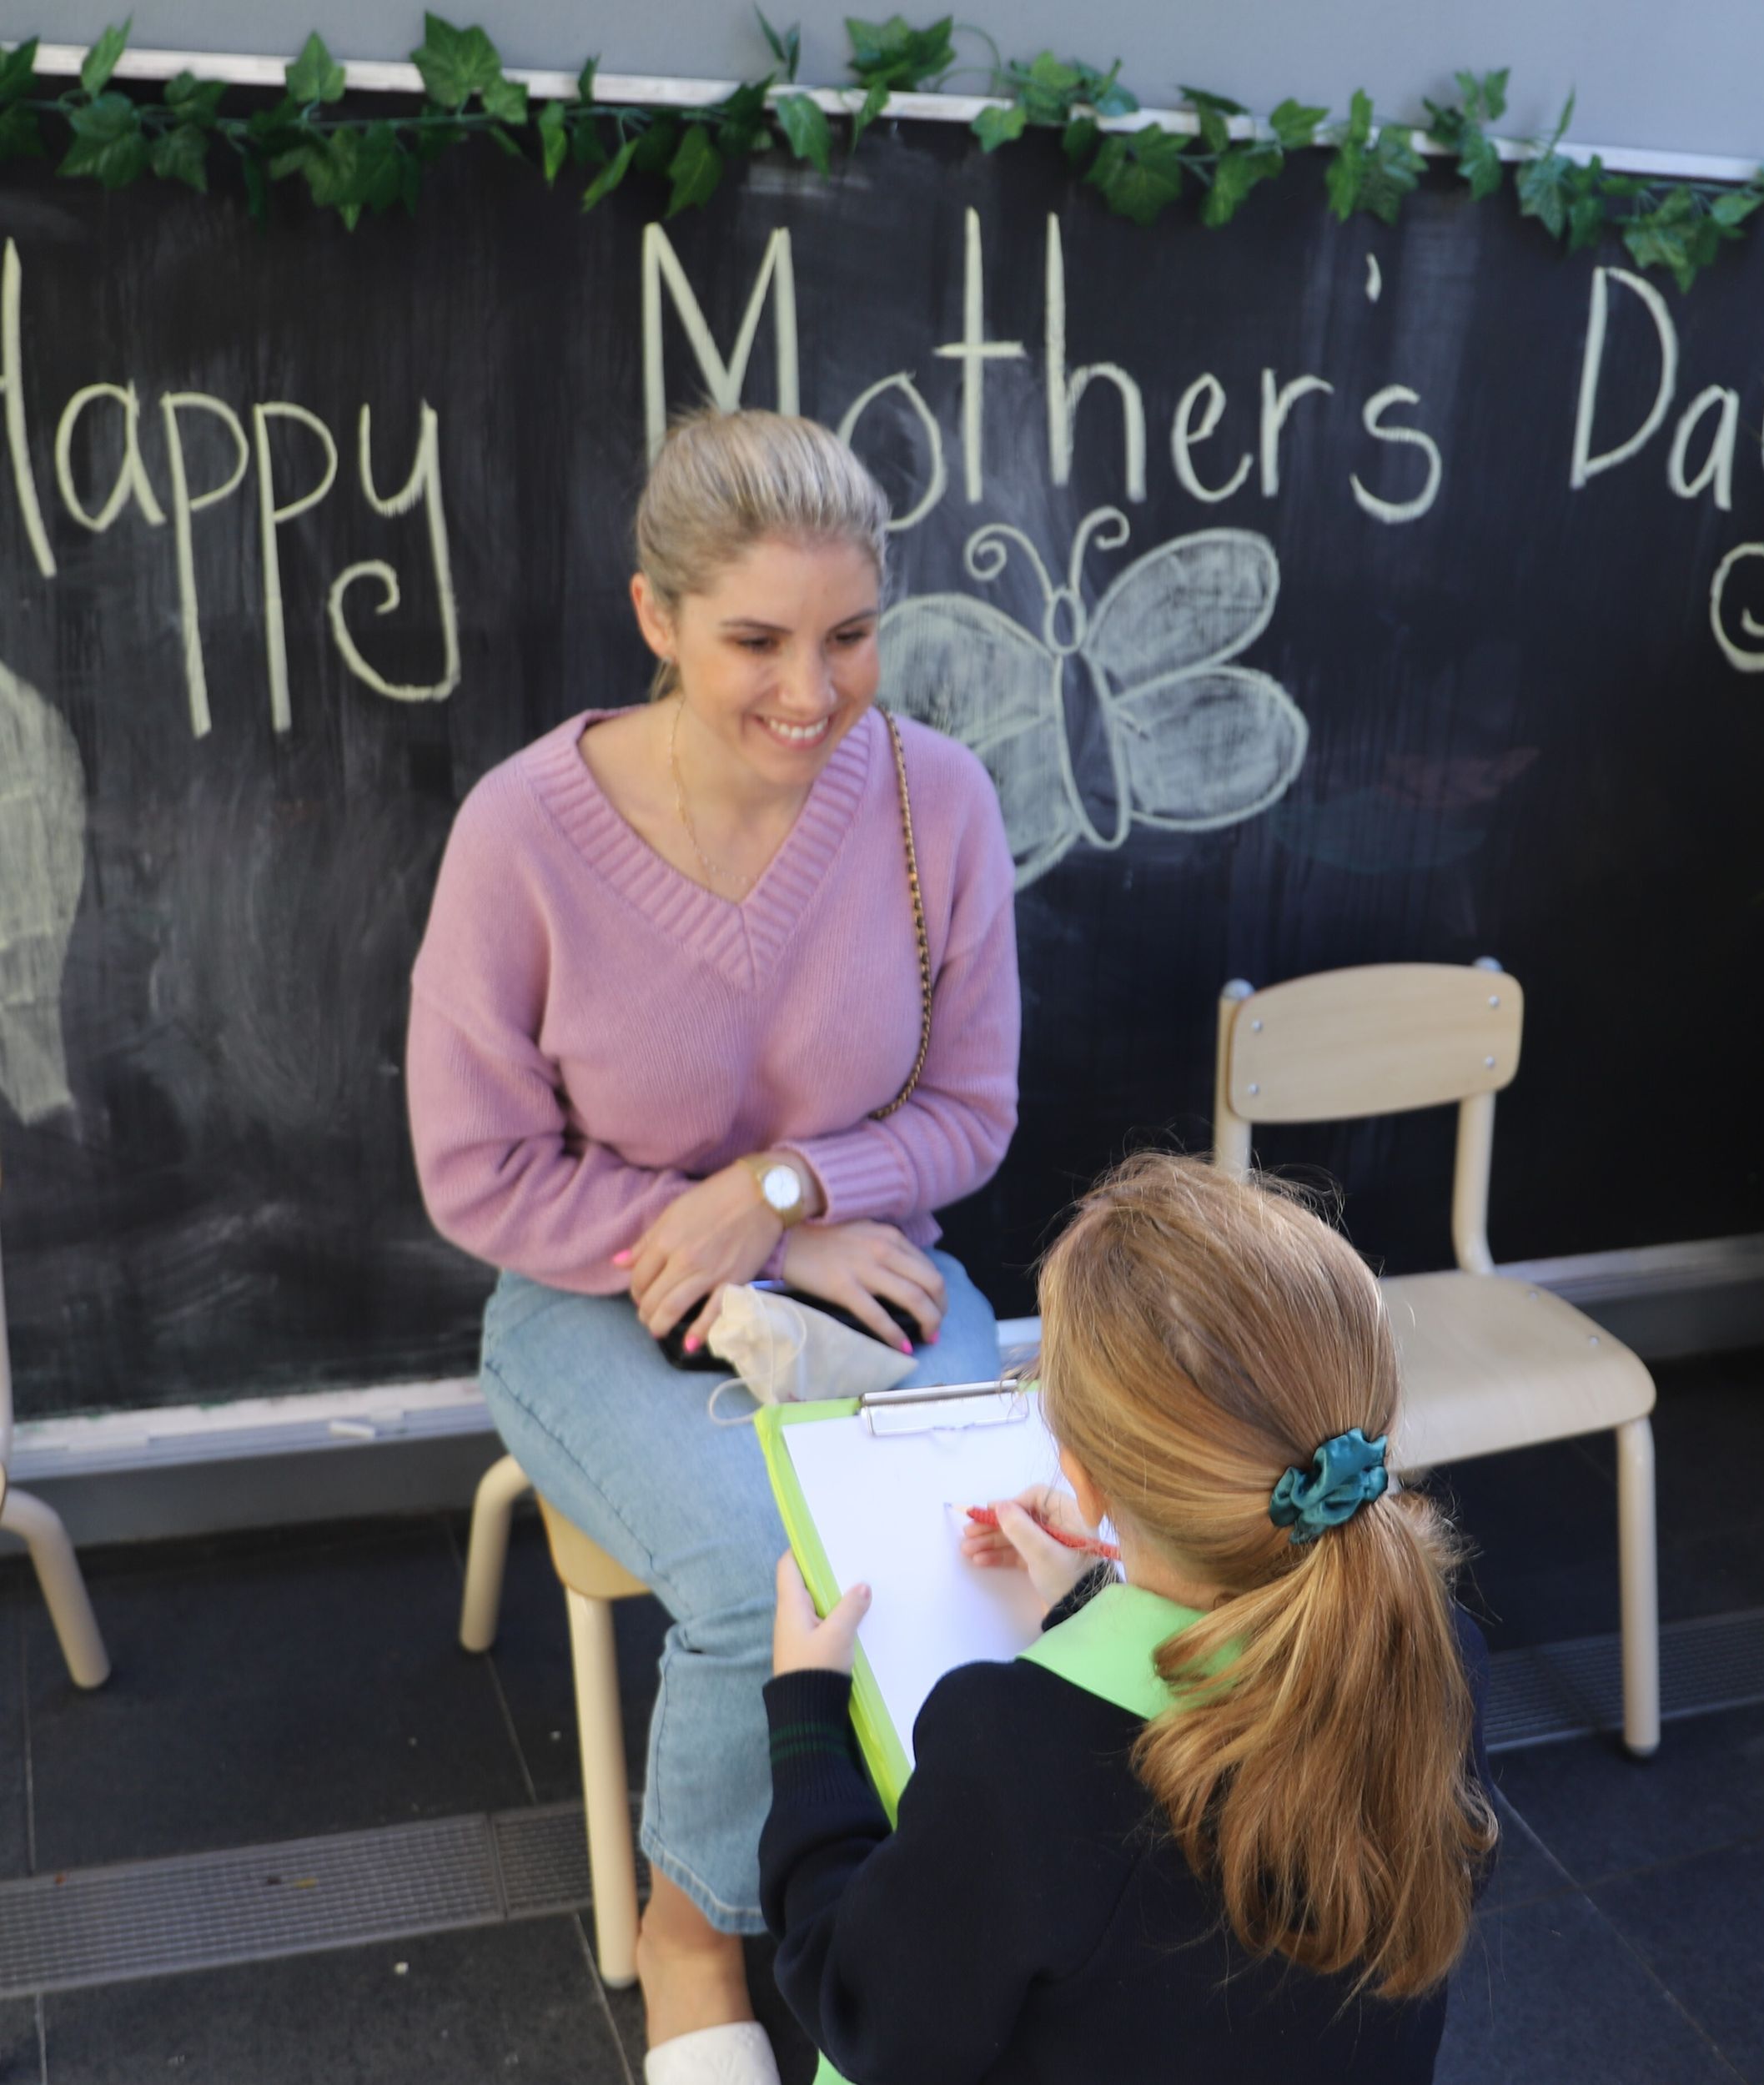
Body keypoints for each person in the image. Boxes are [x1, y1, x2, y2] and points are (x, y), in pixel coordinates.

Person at [405, 409, 1020, 2085]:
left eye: (850, 635)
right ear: (656, 617)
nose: (811, 690)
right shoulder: (524, 832)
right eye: (756, 640)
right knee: (774, 1572)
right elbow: (476, 1171)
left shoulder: (937, 802)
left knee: (966, 1546)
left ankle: (922, 1886)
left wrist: (788, 1193)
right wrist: (723, 1232)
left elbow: (971, 1112)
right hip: (590, 1297)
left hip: (863, 1264)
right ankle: (697, 1927)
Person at [757, 1150, 1497, 2085]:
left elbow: (869, 2015)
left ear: (1083, 1479)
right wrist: (1087, 1601)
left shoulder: (1011, 1750)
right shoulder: (1434, 1649)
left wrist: (806, 1716)